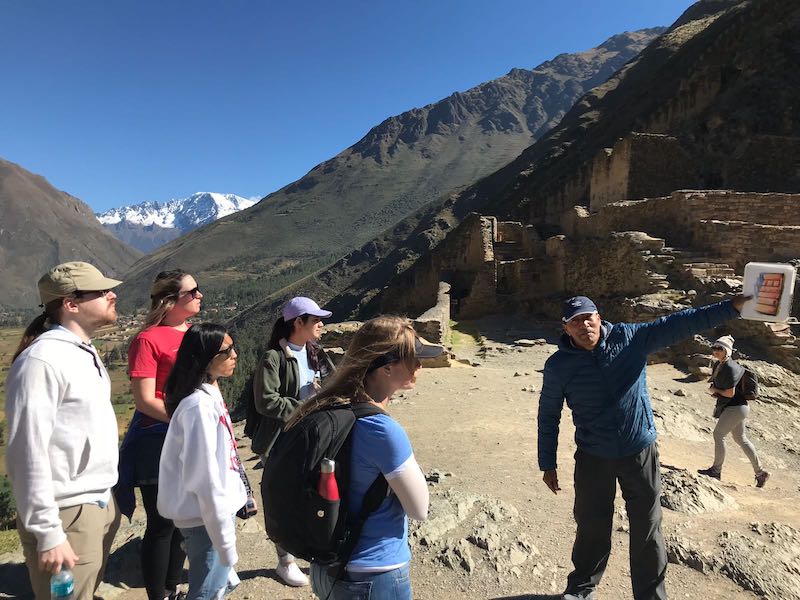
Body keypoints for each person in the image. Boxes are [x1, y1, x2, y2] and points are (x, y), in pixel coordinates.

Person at [538, 294, 747, 600]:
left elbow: (680, 323)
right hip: (594, 455)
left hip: (639, 450)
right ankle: (581, 589)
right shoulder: (558, 366)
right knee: (591, 524)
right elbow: (549, 413)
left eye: (588, 318)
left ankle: (650, 596)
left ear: (598, 317)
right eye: (575, 321)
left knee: (647, 527)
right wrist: (547, 462)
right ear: (566, 328)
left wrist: (732, 307)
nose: (584, 326)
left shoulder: (630, 338)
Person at [286, 315, 442, 600]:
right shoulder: (382, 430)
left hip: (327, 568)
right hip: (372, 573)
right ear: (386, 368)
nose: (419, 365)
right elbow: (419, 509)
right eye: (412, 359)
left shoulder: (329, 407)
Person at [5, 261, 123, 599]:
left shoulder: (80, 351)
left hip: (95, 502)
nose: (112, 295)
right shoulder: (41, 361)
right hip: (67, 513)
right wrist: (48, 532)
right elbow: (26, 451)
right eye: (101, 291)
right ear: (71, 303)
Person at [116, 270, 202, 600]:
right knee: (162, 521)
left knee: (185, 517)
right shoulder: (147, 340)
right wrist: (184, 421)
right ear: (169, 300)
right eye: (192, 291)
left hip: (190, 433)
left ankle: (172, 586)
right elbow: (144, 399)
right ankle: (158, 594)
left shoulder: (193, 334)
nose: (199, 295)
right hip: (157, 439)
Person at [248, 296, 335, 587]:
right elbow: (266, 401)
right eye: (316, 320)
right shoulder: (273, 358)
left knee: (312, 495)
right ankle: (285, 560)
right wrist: (303, 407)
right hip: (280, 439)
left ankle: (311, 549)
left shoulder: (315, 352)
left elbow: (333, 383)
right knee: (282, 499)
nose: (321, 325)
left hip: (312, 435)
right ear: (298, 322)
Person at [157, 324, 246, 600]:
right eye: (226, 351)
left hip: (209, 516)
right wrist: (225, 543)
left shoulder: (207, 396)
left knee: (215, 587)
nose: (234, 355)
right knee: (207, 592)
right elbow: (204, 479)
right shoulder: (198, 408)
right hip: (204, 519)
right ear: (204, 359)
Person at [697, 335, 770, 487]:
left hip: (735, 408)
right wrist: (717, 392)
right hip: (738, 407)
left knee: (718, 435)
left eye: (719, 348)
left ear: (727, 351)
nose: (716, 351)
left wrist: (715, 390)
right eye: (714, 348)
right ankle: (761, 473)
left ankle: (716, 471)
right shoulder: (720, 365)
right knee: (741, 439)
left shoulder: (730, 367)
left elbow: (730, 393)